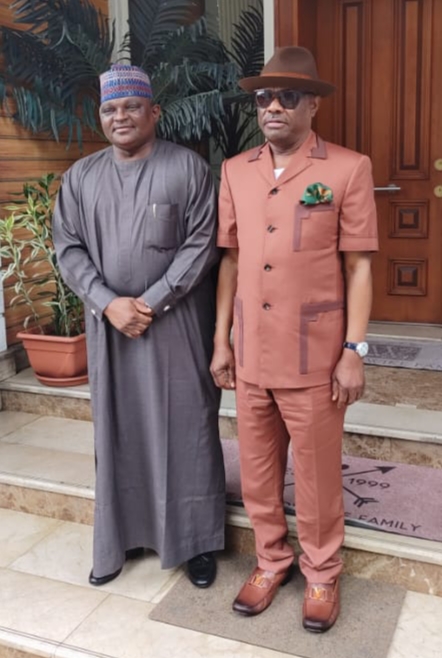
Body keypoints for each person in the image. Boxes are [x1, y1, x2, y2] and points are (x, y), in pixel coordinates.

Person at [211, 46, 378, 631]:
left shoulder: (348, 169)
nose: (273, 107)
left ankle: (322, 573)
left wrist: (354, 351)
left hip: (314, 353)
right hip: (252, 351)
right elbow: (231, 261)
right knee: (257, 471)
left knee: (316, 474)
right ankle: (269, 561)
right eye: (264, 97)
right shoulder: (235, 170)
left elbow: (359, 266)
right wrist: (221, 341)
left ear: (312, 105)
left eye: (287, 96)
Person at [53, 64, 225, 589]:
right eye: (110, 109)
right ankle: (120, 538)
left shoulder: (188, 168)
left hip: (177, 327)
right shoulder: (80, 177)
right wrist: (108, 304)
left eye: (131, 106)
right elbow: (68, 249)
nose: (120, 116)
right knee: (118, 429)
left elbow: (203, 245)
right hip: (110, 329)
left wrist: (147, 304)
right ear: (101, 116)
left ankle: (195, 542)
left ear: (154, 111)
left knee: (187, 428)